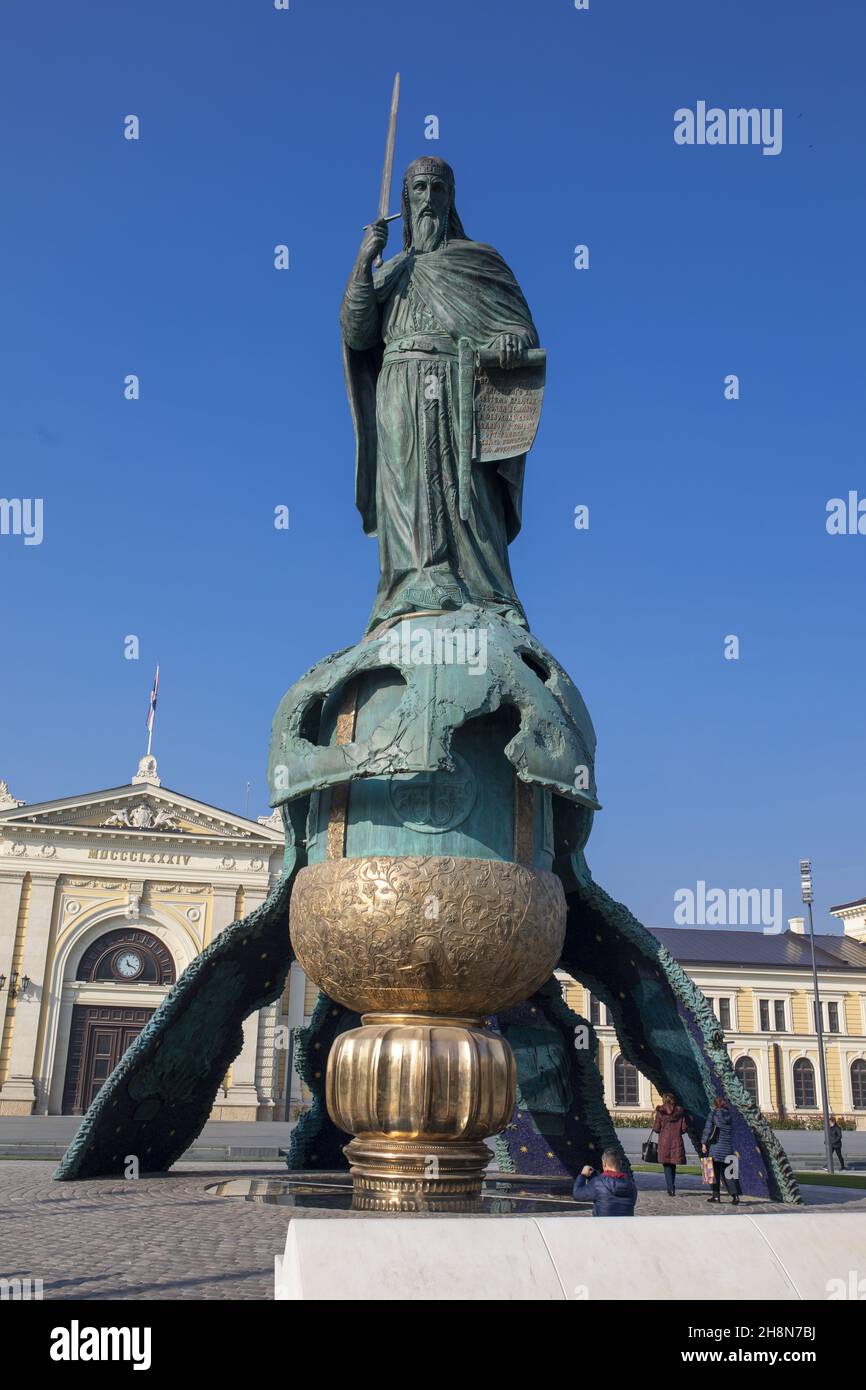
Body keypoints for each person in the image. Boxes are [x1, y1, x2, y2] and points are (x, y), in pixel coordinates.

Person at [573, 1148, 638, 1216]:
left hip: (603, 1225)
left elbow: (577, 1194)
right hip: (625, 1225)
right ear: (620, 1163)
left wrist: (583, 1175)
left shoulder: (598, 1183)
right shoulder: (631, 1185)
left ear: (604, 1163)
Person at [702, 1096, 740, 1204]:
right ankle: (735, 1195)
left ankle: (716, 1196)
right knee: (728, 1174)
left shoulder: (713, 1114)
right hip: (727, 1148)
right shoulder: (729, 1116)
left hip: (715, 1147)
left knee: (711, 1172)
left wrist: (703, 1143)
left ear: (716, 1104)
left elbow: (707, 1129)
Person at [653, 1091, 688, 1196]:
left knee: (667, 1165)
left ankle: (670, 1188)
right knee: (673, 1164)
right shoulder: (679, 1112)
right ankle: (672, 1187)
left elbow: (656, 1128)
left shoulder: (660, 1112)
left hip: (664, 1141)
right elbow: (684, 1128)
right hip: (676, 1141)